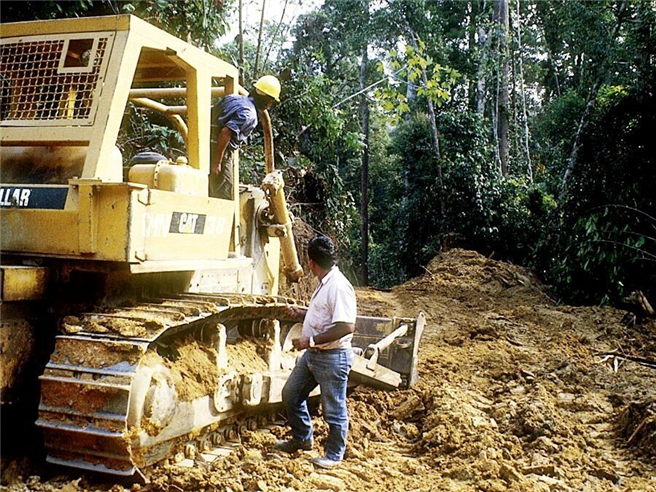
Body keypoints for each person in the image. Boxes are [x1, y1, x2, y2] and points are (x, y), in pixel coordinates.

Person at [276, 236, 357, 469]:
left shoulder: (338, 286)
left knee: (334, 408)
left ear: (311, 263)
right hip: (315, 355)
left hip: (332, 357)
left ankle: (334, 455)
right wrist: (299, 313)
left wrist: (309, 340)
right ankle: (302, 439)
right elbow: (322, 315)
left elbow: (345, 326)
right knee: (291, 393)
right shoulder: (324, 282)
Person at [210, 75, 281, 199]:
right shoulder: (249, 115)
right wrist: (217, 162)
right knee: (225, 196)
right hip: (220, 151)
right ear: (268, 102)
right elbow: (226, 132)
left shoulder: (232, 98)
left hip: (206, 144)